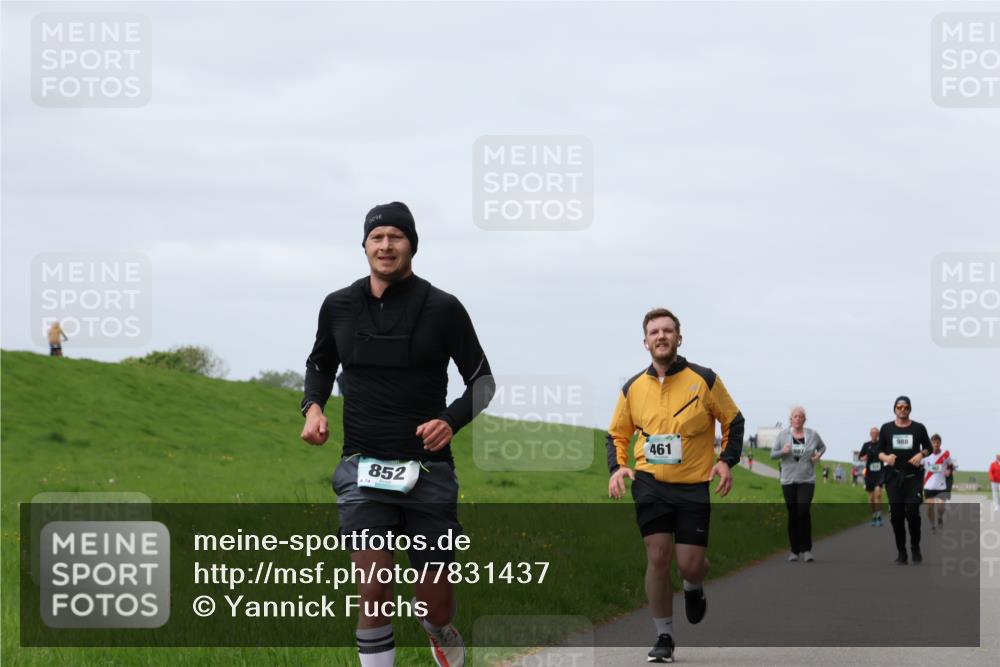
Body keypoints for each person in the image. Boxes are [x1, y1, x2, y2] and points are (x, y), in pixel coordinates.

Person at [300, 202, 495, 667]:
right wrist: (312, 408)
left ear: (412, 245)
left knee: (434, 603)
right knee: (373, 588)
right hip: (361, 467)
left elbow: (482, 381)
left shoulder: (443, 308)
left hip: (428, 470)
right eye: (377, 237)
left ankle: (437, 628)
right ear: (364, 247)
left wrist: (450, 420)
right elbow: (319, 364)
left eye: (396, 237)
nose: (386, 246)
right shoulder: (339, 306)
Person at [606, 308, 744, 664]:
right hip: (650, 482)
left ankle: (694, 584)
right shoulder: (633, 387)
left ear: (679, 338)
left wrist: (726, 461)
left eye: (668, 331)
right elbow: (617, 434)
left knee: (690, 564)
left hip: (692, 485)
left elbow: (733, 420)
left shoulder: (704, 379)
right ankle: (663, 636)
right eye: (654, 332)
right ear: (645, 341)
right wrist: (618, 468)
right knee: (657, 556)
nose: (661, 336)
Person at [878, 396, 932, 565]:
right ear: (894, 408)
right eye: (899, 407)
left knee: (913, 513)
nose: (902, 410)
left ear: (910, 409)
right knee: (897, 516)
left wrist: (920, 454)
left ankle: (915, 546)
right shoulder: (886, 428)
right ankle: (901, 551)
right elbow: (879, 452)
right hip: (893, 478)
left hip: (913, 478)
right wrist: (887, 457)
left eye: (906, 407)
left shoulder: (918, 428)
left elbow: (929, 448)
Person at [770, 406, 826, 562]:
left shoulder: (812, 435)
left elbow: (822, 447)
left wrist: (817, 456)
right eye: (795, 416)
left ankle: (806, 550)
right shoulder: (782, 435)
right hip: (788, 480)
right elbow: (772, 455)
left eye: (801, 416)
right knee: (793, 514)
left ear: (804, 419)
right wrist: (783, 451)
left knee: (803, 511)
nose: (798, 419)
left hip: (807, 479)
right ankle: (794, 550)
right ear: (791, 419)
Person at [922, 434, 951, 534]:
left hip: (941, 486)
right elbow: (918, 465)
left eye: (938, 442)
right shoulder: (925, 456)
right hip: (928, 486)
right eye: (934, 442)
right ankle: (933, 525)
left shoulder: (945, 455)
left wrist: (948, 471)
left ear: (940, 443)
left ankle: (939, 517)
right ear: (931, 443)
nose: (936, 444)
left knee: (941, 507)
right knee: (930, 506)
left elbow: (950, 466)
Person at [858, 427, 885, 526]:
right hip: (869, 474)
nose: (874, 435)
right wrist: (863, 457)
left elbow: (886, 454)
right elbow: (860, 456)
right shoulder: (866, 445)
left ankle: (879, 517)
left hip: (880, 473)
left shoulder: (881, 445)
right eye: (873, 433)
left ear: (878, 435)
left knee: (878, 494)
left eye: (876, 433)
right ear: (870, 434)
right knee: (871, 499)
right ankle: (874, 516)